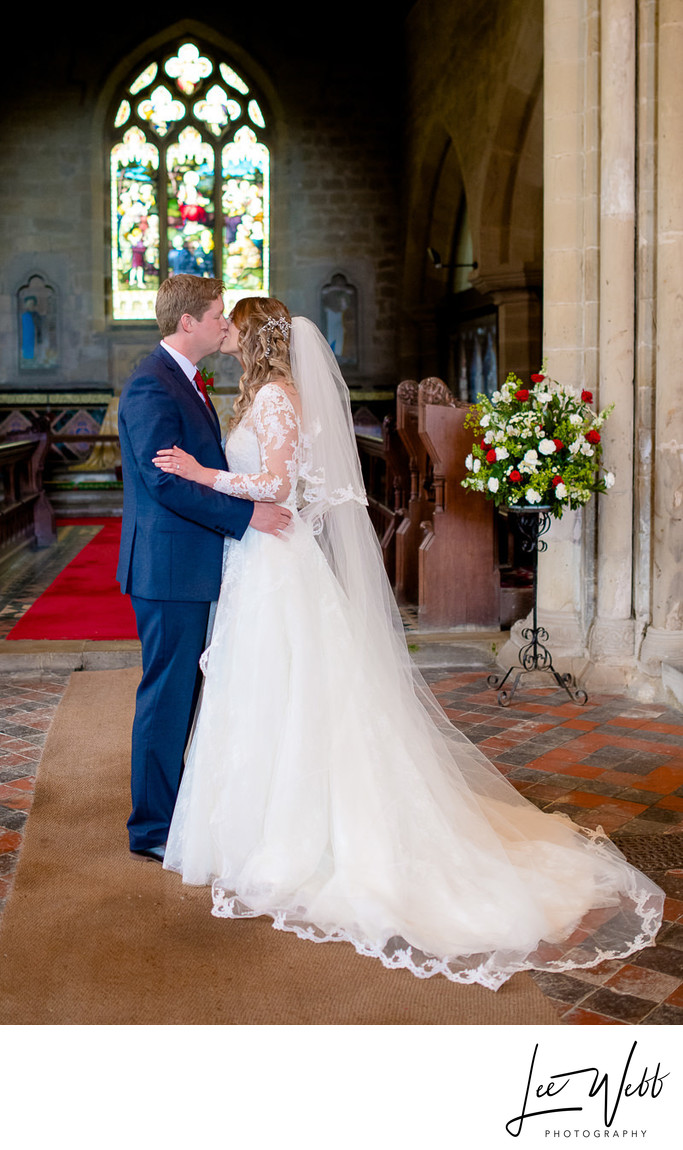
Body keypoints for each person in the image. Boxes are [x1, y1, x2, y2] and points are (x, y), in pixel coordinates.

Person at [152, 297, 663, 990]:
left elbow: (275, 483)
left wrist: (200, 473)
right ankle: (254, 830)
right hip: (263, 560)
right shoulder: (271, 392)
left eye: (236, 331)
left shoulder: (276, 396)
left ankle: (298, 838)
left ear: (258, 337)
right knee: (268, 690)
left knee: (288, 690)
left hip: (276, 562)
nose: (228, 340)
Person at [117, 276, 292, 862]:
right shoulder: (151, 385)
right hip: (168, 570)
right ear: (187, 321)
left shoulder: (185, 380)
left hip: (193, 563)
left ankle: (179, 813)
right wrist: (246, 521)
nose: (225, 323)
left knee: (187, 694)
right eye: (217, 314)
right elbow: (165, 481)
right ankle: (152, 830)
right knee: (167, 697)